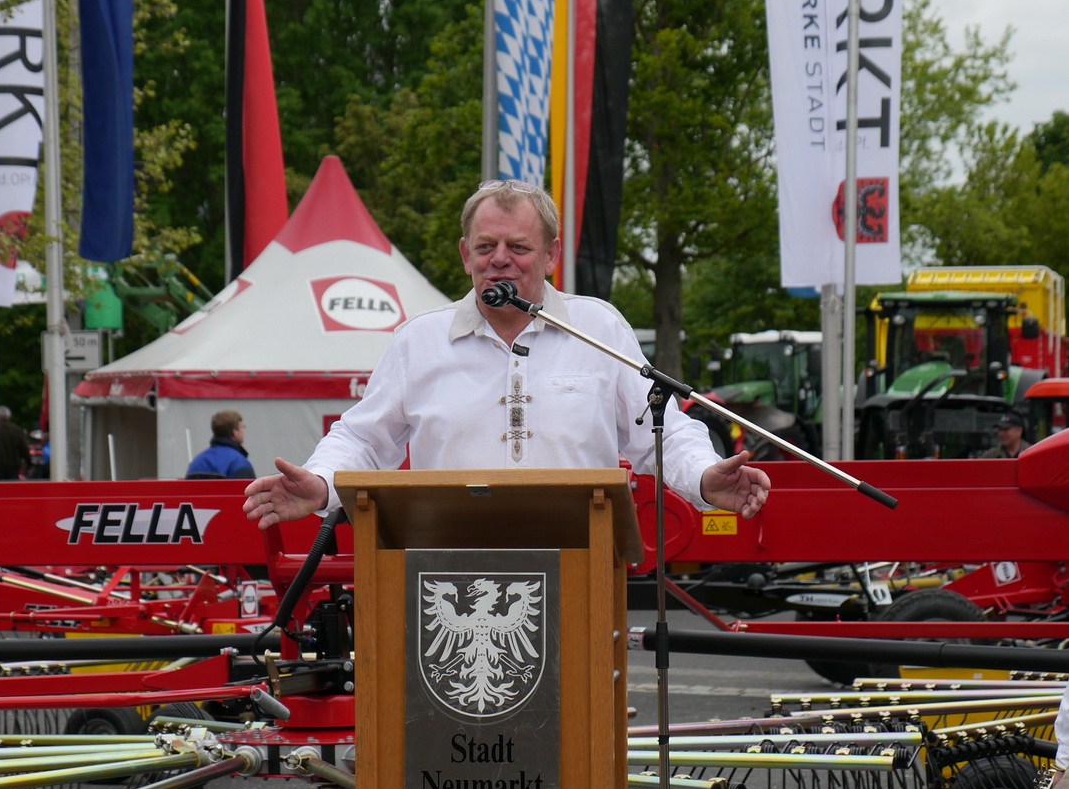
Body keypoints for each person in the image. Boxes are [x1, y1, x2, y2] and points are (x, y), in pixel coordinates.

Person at [244, 180, 769, 529]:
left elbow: (664, 432)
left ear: (552, 254)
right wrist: (320, 482)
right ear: (464, 255)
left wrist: (704, 475)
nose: (500, 260)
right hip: (447, 574)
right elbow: (361, 438)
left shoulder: (598, 328)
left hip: (580, 560)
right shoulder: (418, 340)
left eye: (518, 247)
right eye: (484, 247)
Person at [187, 410, 255, 480]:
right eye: (242, 427)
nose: (243, 431)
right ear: (234, 432)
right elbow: (247, 490)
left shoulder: (196, 463)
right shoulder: (239, 463)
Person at [0, 406, 31, 481]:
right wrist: (29, 462)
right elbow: (23, 448)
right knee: (12, 489)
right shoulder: (16, 430)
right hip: (13, 467)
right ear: (9, 417)